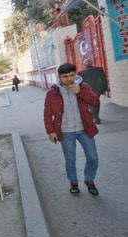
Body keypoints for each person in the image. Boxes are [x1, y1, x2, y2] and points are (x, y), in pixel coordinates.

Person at [44, 63, 100, 195]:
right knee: (70, 159)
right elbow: (47, 114)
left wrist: (80, 92)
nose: (69, 79)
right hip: (65, 131)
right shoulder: (52, 93)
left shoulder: (83, 87)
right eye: (65, 76)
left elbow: (95, 102)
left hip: (84, 129)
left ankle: (89, 180)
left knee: (93, 157)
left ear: (76, 74)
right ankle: (73, 182)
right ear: (59, 77)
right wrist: (51, 131)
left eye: (72, 75)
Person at [77, 58, 108, 124]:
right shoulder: (99, 70)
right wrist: (105, 89)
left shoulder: (80, 73)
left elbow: (79, 83)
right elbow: (104, 80)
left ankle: (95, 118)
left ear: (84, 64)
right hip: (97, 90)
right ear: (92, 63)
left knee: (91, 104)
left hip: (87, 91)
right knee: (96, 103)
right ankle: (96, 117)